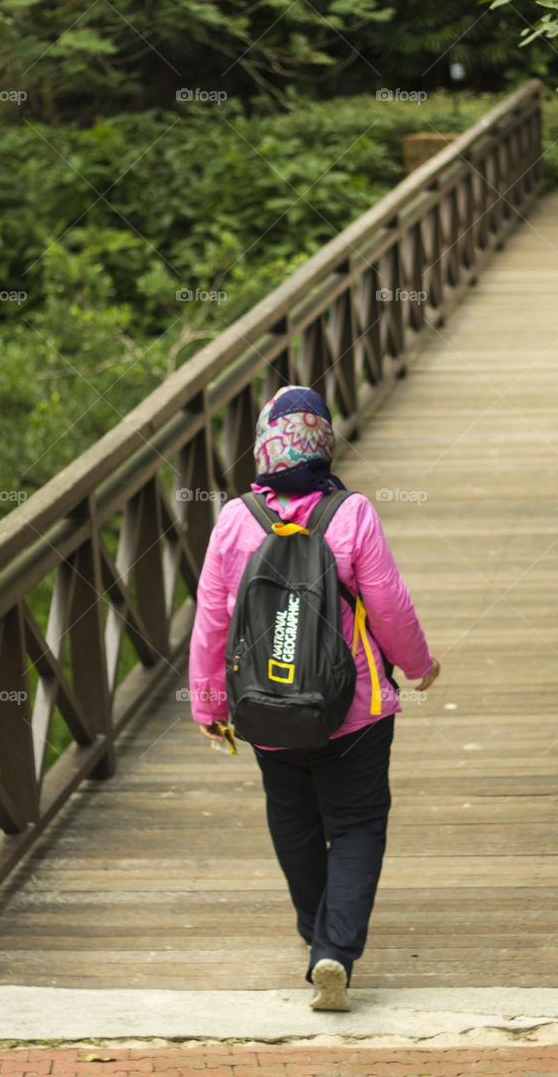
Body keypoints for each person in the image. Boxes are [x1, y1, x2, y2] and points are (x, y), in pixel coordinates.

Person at [188, 385, 439, 1010]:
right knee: (356, 824)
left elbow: (212, 622)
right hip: (352, 708)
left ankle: (315, 934)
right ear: (324, 443)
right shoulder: (351, 514)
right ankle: (334, 949)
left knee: (294, 820)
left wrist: (209, 705)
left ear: (265, 445)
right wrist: (418, 665)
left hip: (267, 708)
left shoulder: (234, 520)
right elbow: (387, 605)